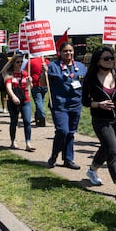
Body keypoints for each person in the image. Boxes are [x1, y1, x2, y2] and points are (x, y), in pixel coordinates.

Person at [82, 46, 116, 200]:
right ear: (98, 61)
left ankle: (92, 170)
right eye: (106, 58)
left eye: (112, 58)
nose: (110, 61)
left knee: (106, 148)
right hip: (101, 120)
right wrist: (99, 104)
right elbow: (85, 101)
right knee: (113, 151)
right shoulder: (90, 78)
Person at [46, 41, 87, 169]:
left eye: (70, 50)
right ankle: (54, 155)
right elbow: (43, 83)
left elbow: (86, 83)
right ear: (60, 53)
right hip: (60, 105)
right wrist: (44, 73)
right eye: (65, 51)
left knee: (70, 133)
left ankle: (68, 159)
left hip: (75, 104)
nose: (68, 53)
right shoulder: (53, 66)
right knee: (62, 131)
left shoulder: (80, 66)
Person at [3, 56, 34, 151]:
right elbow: (8, 87)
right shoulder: (9, 74)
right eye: (18, 62)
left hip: (25, 100)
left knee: (27, 121)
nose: (20, 64)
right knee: (14, 121)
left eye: (21, 62)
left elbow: (29, 87)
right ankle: (13, 141)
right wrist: (13, 96)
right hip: (13, 101)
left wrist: (30, 82)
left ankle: (28, 142)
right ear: (13, 63)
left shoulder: (25, 74)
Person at [22, 55, 50, 127]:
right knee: (40, 101)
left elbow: (25, 72)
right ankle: (38, 119)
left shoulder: (31, 61)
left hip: (36, 85)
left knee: (39, 102)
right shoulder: (46, 61)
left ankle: (42, 118)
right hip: (45, 85)